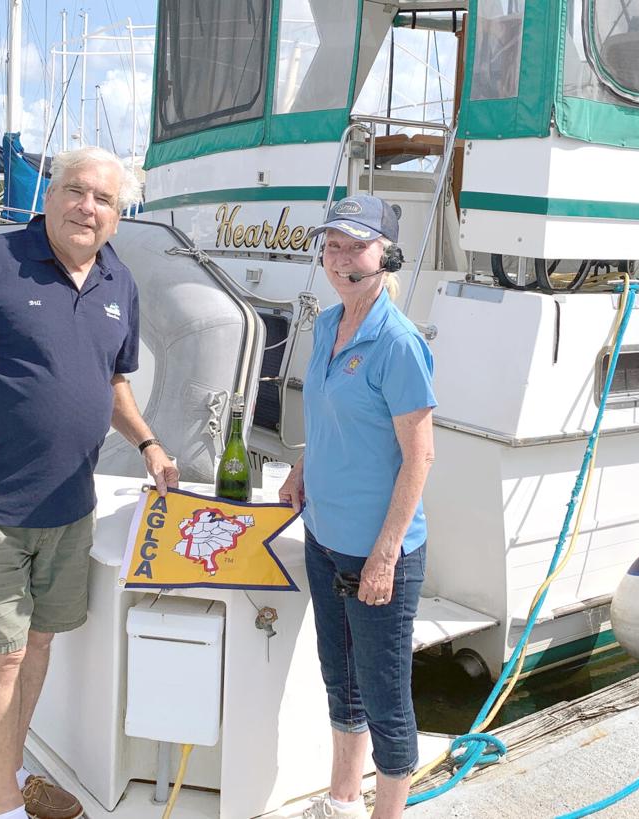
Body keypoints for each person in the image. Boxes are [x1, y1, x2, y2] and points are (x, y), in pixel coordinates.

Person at [0, 146, 178, 819]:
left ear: (119, 217)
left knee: (37, 644)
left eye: (103, 199)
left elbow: (110, 383)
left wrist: (147, 442)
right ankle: (5, 804)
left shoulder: (120, 282)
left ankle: (6, 770)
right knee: (0, 656)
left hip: (68, 508)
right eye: (75, 190)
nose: (87, 207)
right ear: (50, 195)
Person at [280, 195, 436, 819]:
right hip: (324, 535)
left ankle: (387, 813)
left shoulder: (397, 344)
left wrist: (385, 554)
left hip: (378, 551)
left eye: (356, 246)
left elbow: (419, 458)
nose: (341, 257)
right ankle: (343, 800)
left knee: (384, 693)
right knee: (339, 679)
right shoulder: (327, 324)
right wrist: (300, 470)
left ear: (385, 257)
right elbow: (324, 416)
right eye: (333, 245)